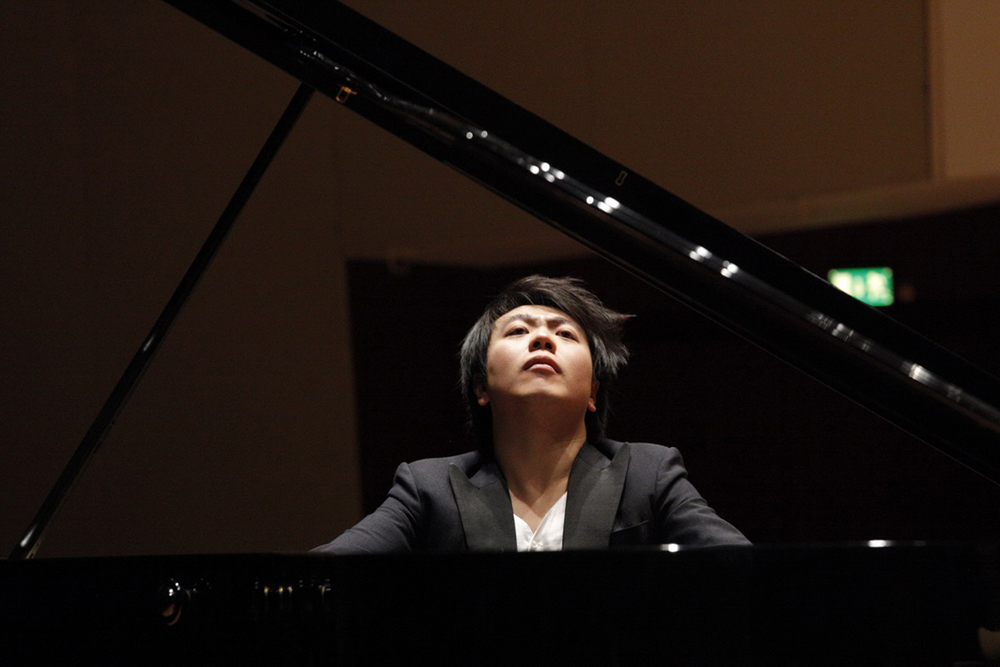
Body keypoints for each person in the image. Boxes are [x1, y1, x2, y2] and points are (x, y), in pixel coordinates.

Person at [313, 275, 748, 553]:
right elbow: (326, 576)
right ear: (481, 386)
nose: (542, 339)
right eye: (519, 331)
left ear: (593, 391)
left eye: (564, 334)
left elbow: (747, 573)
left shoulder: (649, 474)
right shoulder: (428, 488)